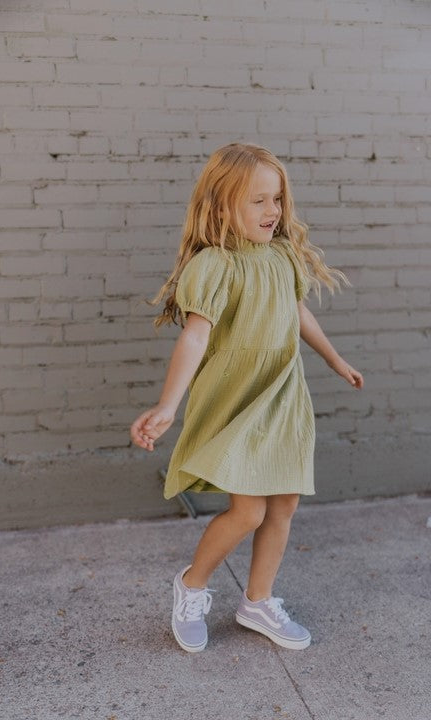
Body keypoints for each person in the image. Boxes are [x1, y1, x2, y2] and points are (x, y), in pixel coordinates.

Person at [130, 142, 364, 653]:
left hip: (283, 393)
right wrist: (168, 405)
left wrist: (333, 358)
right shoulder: (215, 265)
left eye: (276, 199)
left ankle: (258, 600)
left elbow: (298, 312)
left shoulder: (282, 255)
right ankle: (192, 585)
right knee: (248, 511)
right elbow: (195, 336)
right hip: (239, 397)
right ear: (221, 206)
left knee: (283, 505)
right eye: (257, 200)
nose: (272, 211)